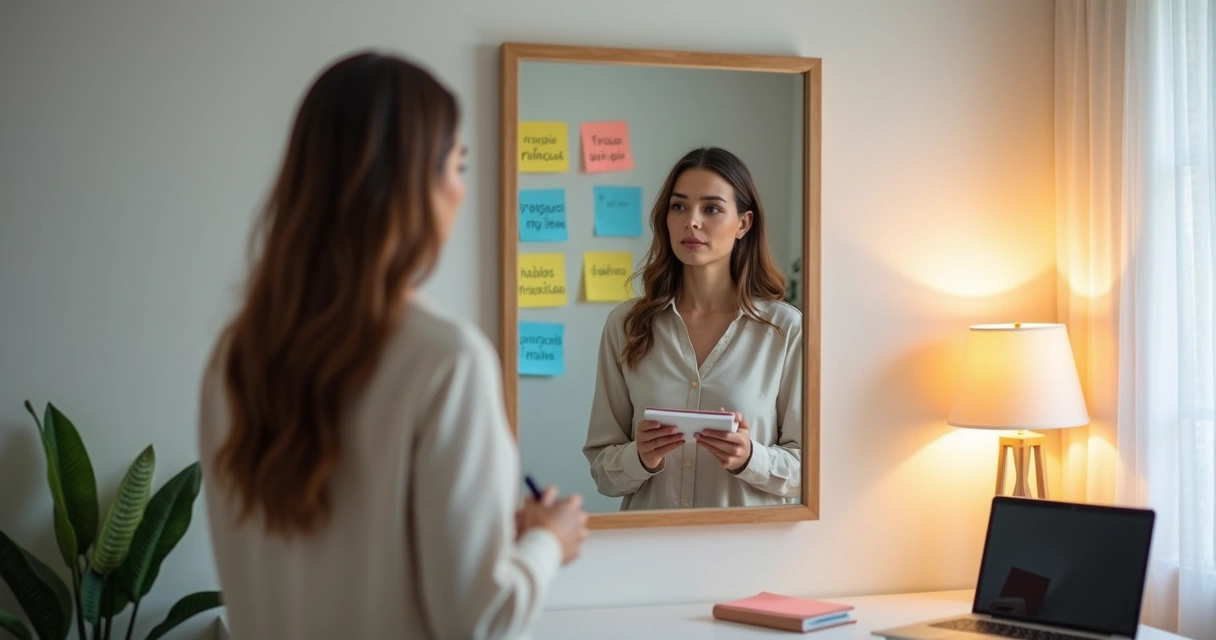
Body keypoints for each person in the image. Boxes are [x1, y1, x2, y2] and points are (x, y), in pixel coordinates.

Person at [197, 51, 588, 640]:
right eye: (457, 165)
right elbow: (476, 623)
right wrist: (547, 544)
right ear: (414, 185)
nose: (461, 189)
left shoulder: (237, 356)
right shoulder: (446, 361)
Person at [583, 147, 803, 511]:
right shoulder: (626, 326)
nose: (692, 222)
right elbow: (602, 472)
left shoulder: (785, 330)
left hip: (750, 558)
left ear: (743, 224)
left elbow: (810, 470)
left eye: (712, 209)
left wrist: (752, 458)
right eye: (679, 206)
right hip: (651, 552)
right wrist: (640, 457)